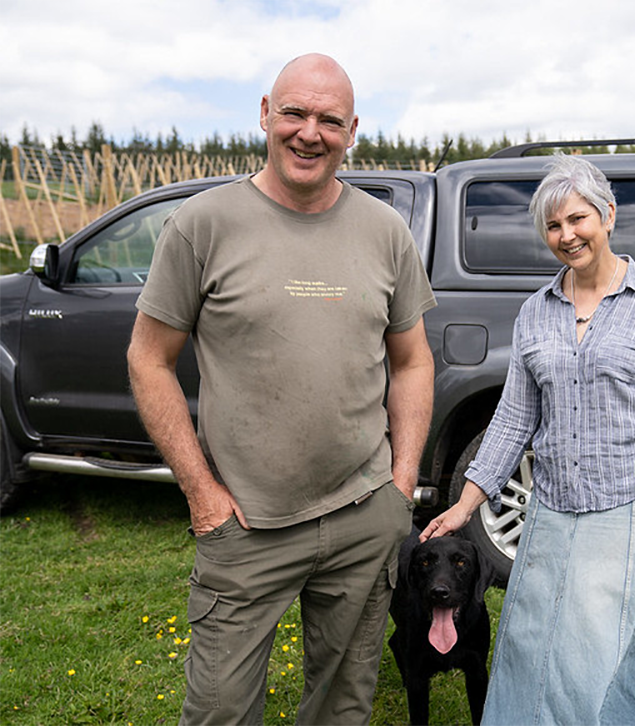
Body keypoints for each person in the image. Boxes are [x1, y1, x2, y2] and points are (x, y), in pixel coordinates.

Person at [127, 53, 436, 725]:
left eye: (330, 120)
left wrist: (402, 481)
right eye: (294, 113)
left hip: (363, 514)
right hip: (244, 523)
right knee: (220, 711)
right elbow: (148, 360)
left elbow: (413, 361)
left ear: (352, 131)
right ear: (266, 113)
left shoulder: (385, 231)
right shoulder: (203, 225)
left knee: (343, 707)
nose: (309, 133)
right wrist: (201, 493)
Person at [421, 154, 635, 725]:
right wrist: (465, 504)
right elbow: (513, 420)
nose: (567, 235)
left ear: (608, 215)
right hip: (553, 504)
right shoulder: (536, 312)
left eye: (578, 219)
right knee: (529, 640)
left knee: (608, 651)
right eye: (553, 226)